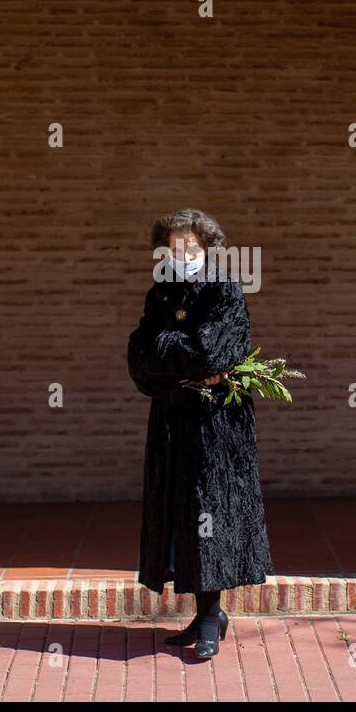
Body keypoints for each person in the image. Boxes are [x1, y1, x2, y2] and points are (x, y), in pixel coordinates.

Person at [126, 207, 274, 659]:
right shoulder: (160, 294)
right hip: (173, 421)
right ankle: (204, 612)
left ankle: (212, 616)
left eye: (189, 246)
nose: (181, 253)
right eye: (173, 246)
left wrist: (170, 355)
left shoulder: (225, 289)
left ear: (207, 248)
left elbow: (214, 353)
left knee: (210, 512)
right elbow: (139, 360)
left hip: (215, 427)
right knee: (179, 516)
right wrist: (178, 364)